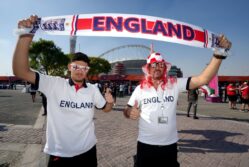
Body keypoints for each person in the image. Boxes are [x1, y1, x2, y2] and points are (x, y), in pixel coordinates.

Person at [12, 15, 114, 167]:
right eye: (76, 67)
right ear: (69, 67)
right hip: (59, 154)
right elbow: (20, 71)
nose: (80, 71)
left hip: (88, 152)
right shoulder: (54, 84)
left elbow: (105, 108)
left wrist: (111, 102)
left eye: (84, 68)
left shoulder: (93, 89)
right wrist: (25, 35)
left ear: (88, 70)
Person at [123, 37, 231, 166]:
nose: (157, 67)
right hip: (145, 143)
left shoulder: (174, 84)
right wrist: (130, 112)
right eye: (153, 65)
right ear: (148, 69)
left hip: (169, 144)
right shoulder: (140, 89)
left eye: (160, 64)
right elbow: (127, 109)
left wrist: (218, 54)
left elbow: (203, 79)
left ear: (164, 68)